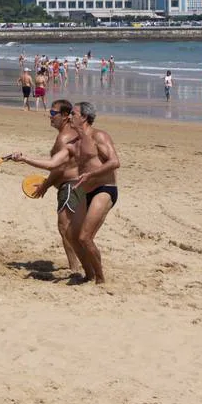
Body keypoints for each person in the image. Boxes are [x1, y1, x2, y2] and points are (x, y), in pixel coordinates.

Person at [7, 99, 83, 276]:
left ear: (65, 116)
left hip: (71, 186)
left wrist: (26, 159)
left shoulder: (64, 138)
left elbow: (57, 166)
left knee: (65, 228)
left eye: (53, 113)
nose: (50, 116)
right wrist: (47, 185)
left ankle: (75, 269)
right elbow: (61, 166)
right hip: (75, 186)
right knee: (71, 228)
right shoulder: (69, 134)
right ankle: (79, 266)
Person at [66, 101, 121, 285]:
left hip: (104, 189)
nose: (69, 117)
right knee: (71, 235)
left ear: (84, 117)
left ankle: (100, 279)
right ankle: (88, 275)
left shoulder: (99, 136)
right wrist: (24, 158)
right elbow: (56, 163)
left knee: (85, 237)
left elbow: (114, 162)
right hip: (86, 190)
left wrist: (91, 174)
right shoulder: (75, 142)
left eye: (73, 114)